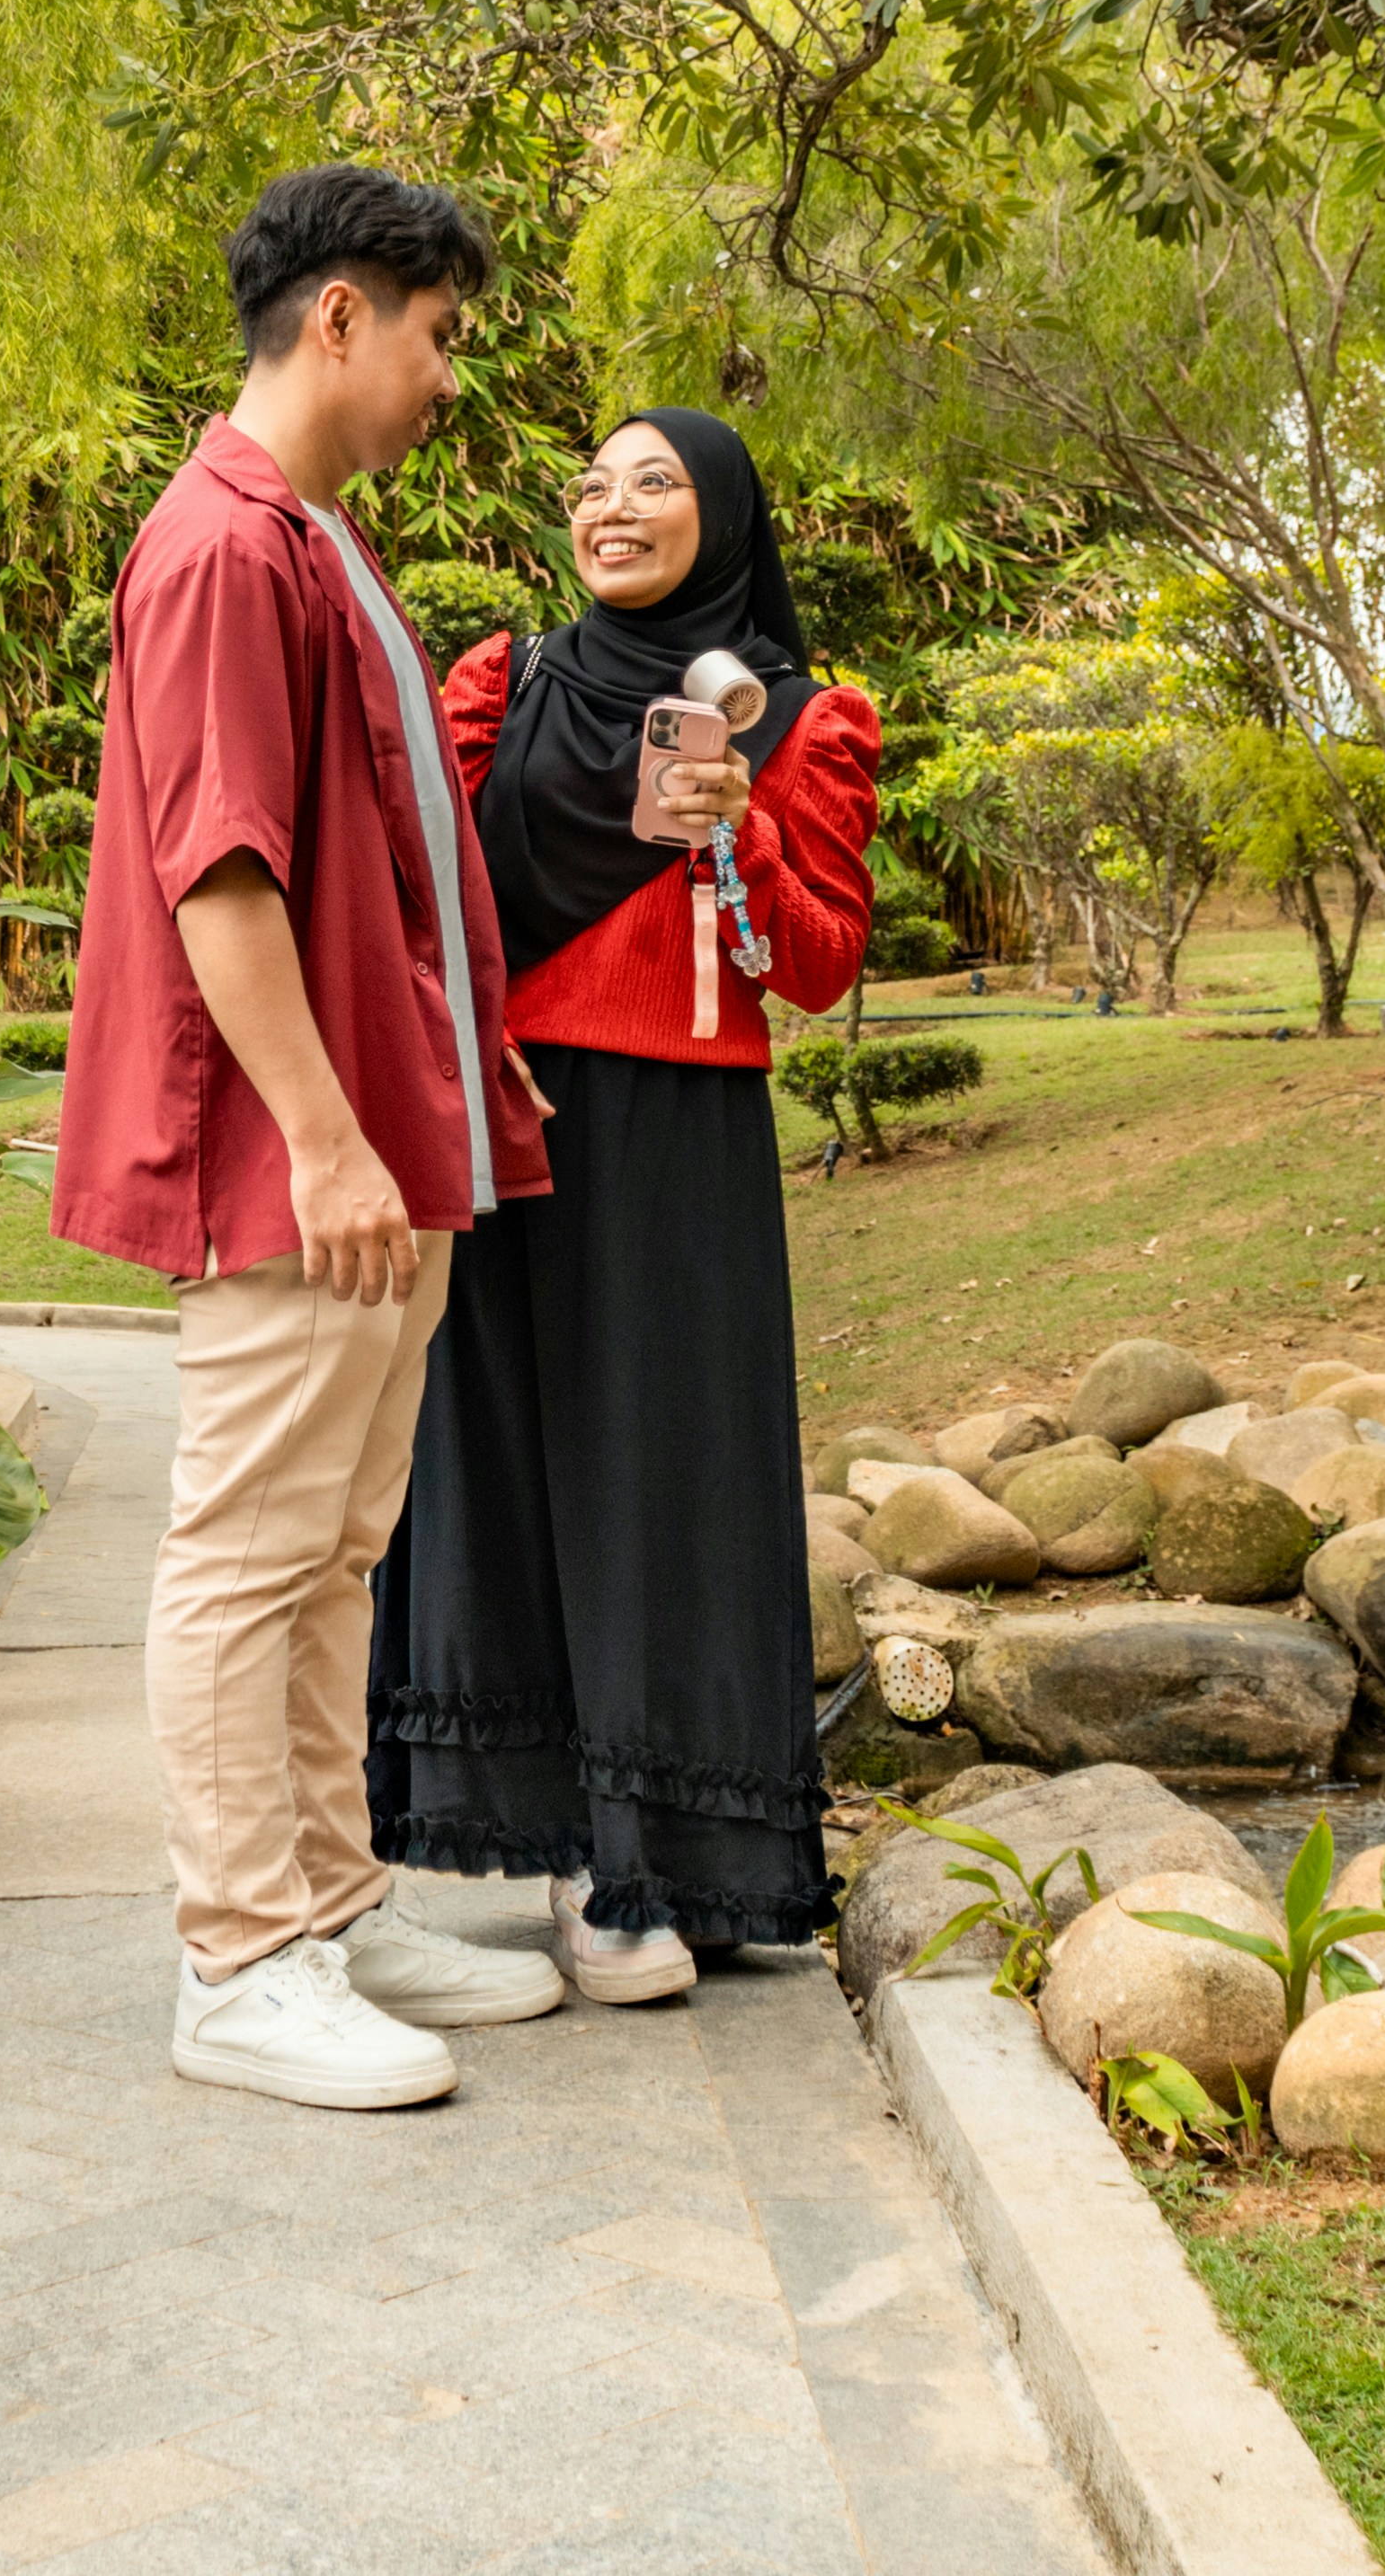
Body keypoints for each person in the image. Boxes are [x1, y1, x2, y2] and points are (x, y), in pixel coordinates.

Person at [55, 164, 566, 2110]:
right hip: (299, 1153)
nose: (453, 378)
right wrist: (330, 1138)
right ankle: (239, 1954)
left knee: (337, 1545)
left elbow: (396, 864)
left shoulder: (319, 540)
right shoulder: (221, 548)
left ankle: (332, 1902)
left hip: (374, 1136)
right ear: (343, 314)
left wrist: (438, 1100)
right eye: (441, 335)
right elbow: (225, 876)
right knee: (250, 1545)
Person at [368, 409, 881, 1997]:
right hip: (513, 1122)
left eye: (653, 481)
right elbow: (431, 903)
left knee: (665, 1484)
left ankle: (658, 1868)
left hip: (681, 1134)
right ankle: (559, 1865)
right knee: (510, 1478)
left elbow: (819, 966)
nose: (611, 505)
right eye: (592, 483)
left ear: (721, 513)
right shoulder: (499, 686)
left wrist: (742, 841)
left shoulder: (805, 720)